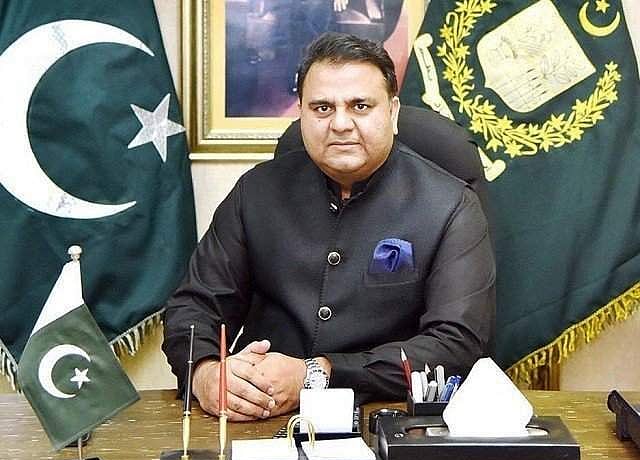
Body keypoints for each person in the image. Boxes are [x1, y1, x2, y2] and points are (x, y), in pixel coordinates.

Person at [163, 32, 495, 422]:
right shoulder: (255, 191)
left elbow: (455, 343)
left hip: (384, 417)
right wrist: (204, 373)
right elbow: (196, 305)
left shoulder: (451, 205)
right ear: (301, 113)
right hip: (259, 417)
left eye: (360, 106)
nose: (340, 124)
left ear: (392, 112)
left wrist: (316, 374)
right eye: (322, 108)